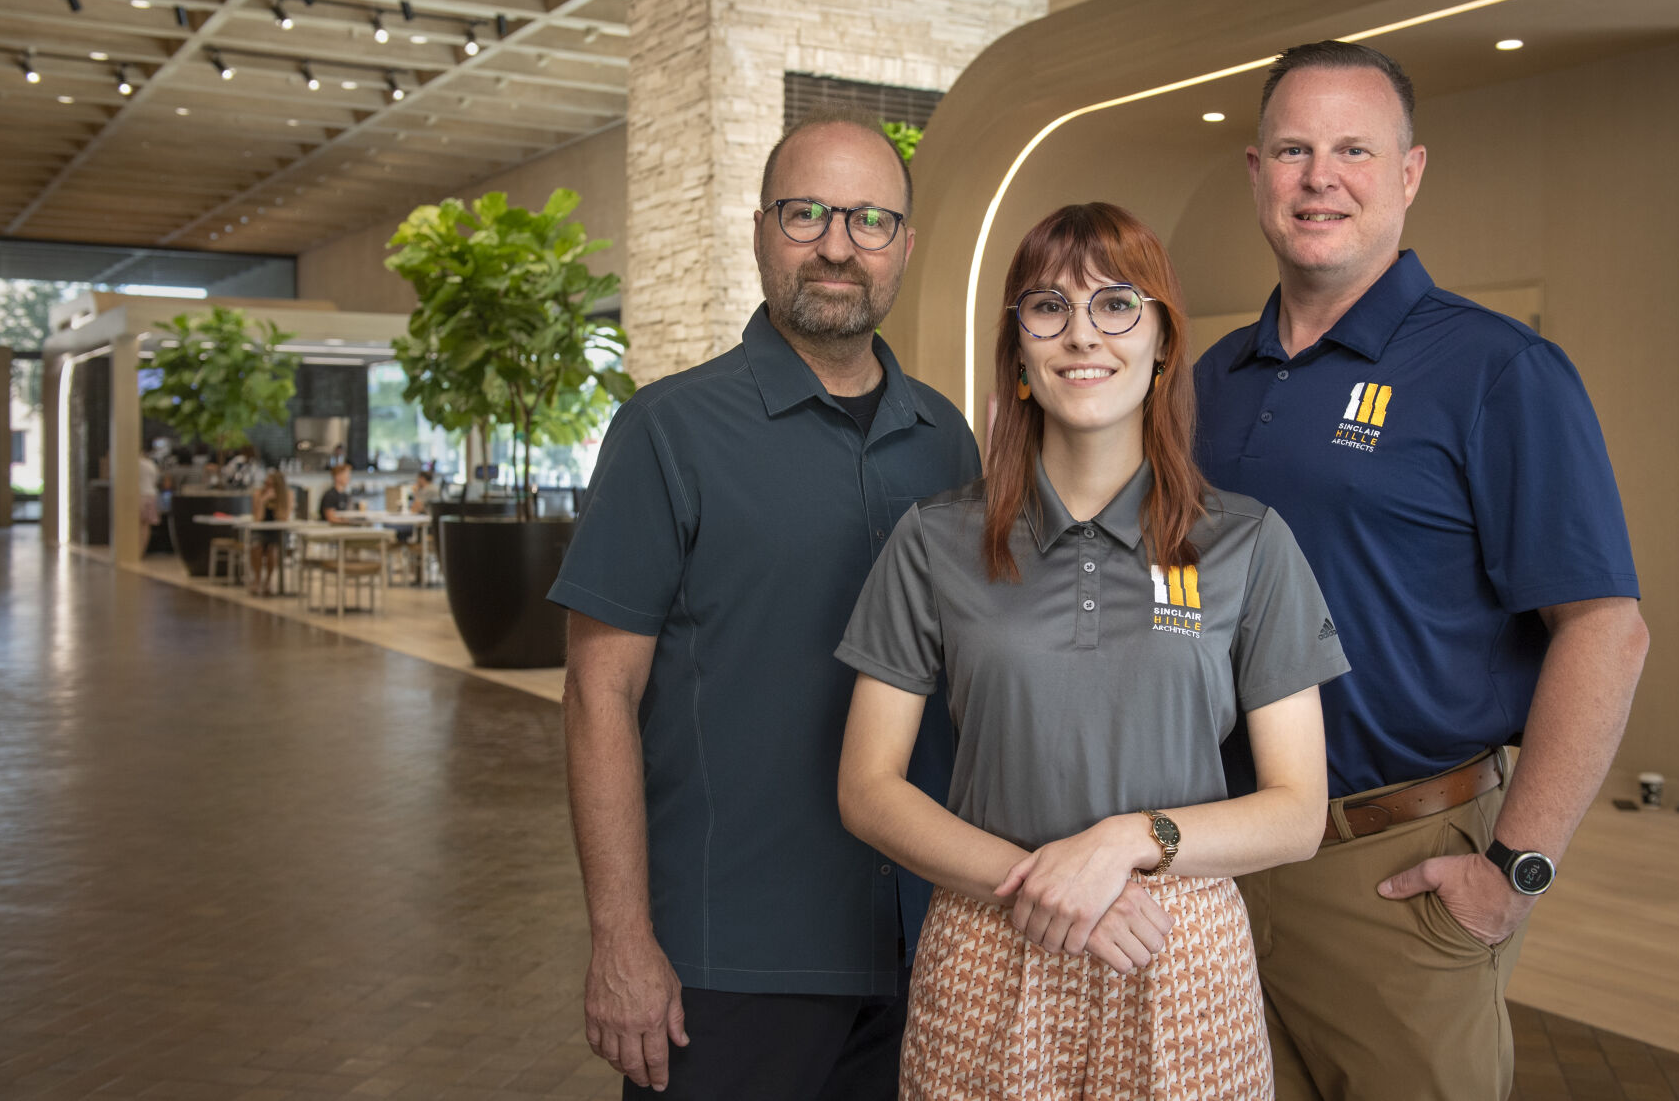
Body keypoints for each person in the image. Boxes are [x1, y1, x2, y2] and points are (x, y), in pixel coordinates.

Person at [1192, 40, 1650, 1100]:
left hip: (1389, 870)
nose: (1320, 177)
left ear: (1407, 172)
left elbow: (1604, 629)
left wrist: (1513, 869)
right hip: (1220, 858)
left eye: (1353, 148)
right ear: (1253, 172)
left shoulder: (1498, 371)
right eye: (1293, 148)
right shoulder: (1207, 380)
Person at [836, 202, 1348, 1100]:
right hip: (989, 941)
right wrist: (1040, 880)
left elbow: (1298, 811)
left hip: (1175, 945)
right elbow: (867, 788)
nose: (1082, 335)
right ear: (1019, 353)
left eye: (1117, 305)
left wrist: (1122, 844)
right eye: (1047, 307)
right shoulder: (933, 540)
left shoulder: (1247, 543)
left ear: (1161, 345)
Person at [547, 110, 982, 1100]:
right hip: (727, 962)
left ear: (903, 246)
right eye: (806, 213)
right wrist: (620, 941)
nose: (837, 244)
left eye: (870, 219)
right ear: (758, 230)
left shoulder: (946, 441)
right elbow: (596, 697)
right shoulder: (667, 432)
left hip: (920, 947)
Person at [249, 469, 291, 596]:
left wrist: (277, 501)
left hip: (277, 532)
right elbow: (257, 519)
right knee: (256, 547)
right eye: (266, 484)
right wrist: (263, 501)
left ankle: (268, 580)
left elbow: (283, 517)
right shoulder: (258, 494)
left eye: (271, 485)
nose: (268, 487)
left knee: (272, 550)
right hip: (261, 530)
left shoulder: (286, 495)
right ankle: (257, 578)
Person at [137, 449, 161, 559]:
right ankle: (141, 551)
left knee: (136, 524)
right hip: (151, 494)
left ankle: (134, 551)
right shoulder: (150, 464)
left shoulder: (135, 464)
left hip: (138, 495)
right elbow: (156, 480)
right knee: (146, 526)